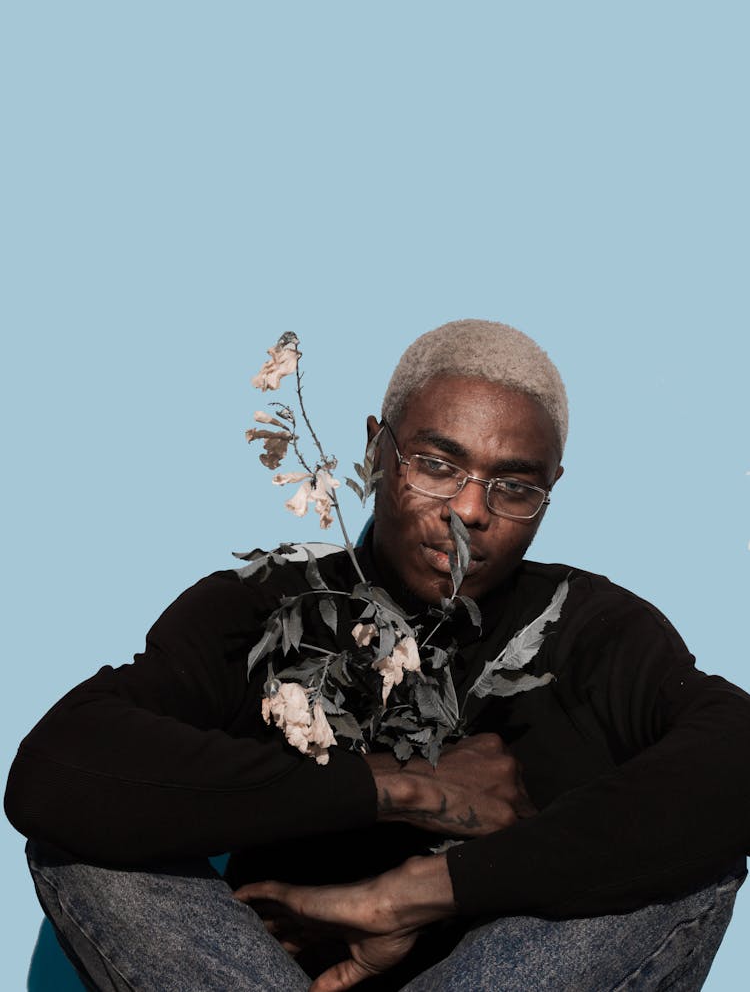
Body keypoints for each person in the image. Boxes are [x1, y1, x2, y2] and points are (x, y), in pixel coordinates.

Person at [5, 319, 750, 992]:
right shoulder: (269, 604)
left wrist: (420, 891)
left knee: (696, 853)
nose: (469, 510)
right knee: (84, 833)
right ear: (374, 448)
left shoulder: (588, 625)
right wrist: (400, 786)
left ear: (552, 489)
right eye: (435, 463)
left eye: (515, 484)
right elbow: (58, 766)